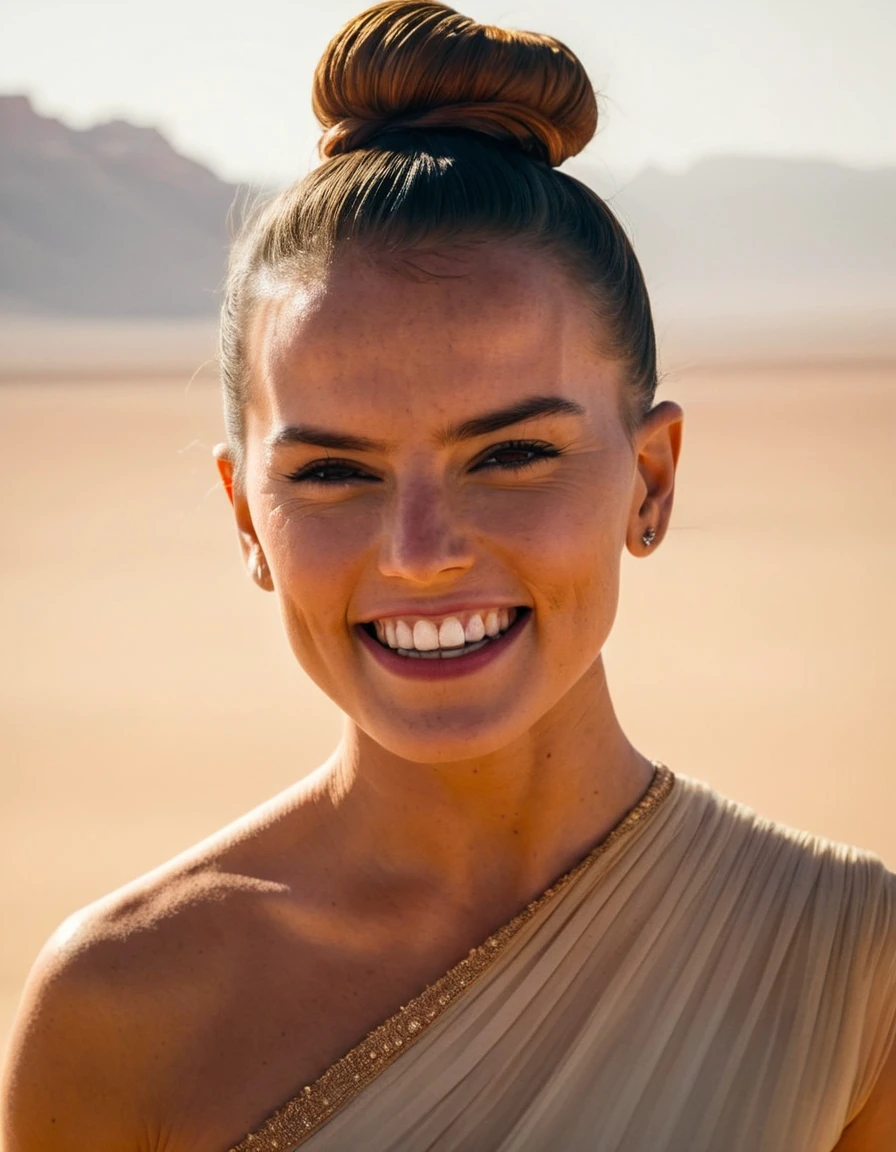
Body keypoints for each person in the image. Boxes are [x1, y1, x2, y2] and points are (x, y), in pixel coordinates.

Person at [3, 2, 895, 1149]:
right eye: (331, 472)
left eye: (512, 454)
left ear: (651, 480)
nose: (420, 551)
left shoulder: (846, 971)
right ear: (244, 517)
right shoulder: (120, 1008)